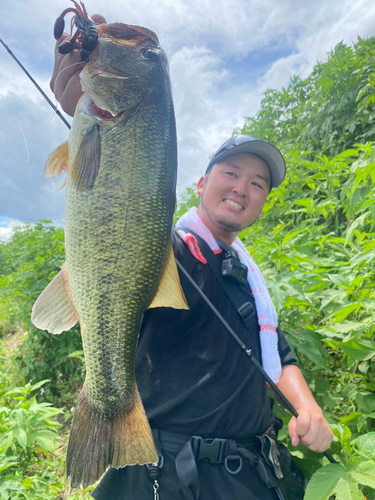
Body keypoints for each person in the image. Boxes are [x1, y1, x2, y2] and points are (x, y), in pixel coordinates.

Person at [51, 18, 333, 500]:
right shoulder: (171, 248)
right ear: (202, 185)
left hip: (250, 476)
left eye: (258, 183)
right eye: (231, 172)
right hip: (167, 475)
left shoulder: (248, 280)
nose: (243, 187)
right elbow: (98, 146)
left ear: (262, 203)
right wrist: (77, 74)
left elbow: (277, 356)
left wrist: (309, 409)